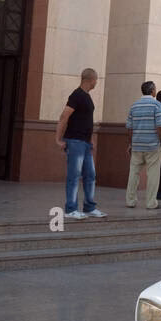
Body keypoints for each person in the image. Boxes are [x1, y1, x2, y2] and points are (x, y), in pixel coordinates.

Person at [56, 67, 106, 220]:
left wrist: (90, 139)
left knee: (90, 175)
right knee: (74, 175)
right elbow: (64, 116)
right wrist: (58, 139)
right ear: (91, 79)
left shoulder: (87, 96)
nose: (96, 82)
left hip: (85, 143)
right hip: (75, 141)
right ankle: (71, 209)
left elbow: (86, 121)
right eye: (96, 80)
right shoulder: (76, 95)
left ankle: (89, 207)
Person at [125, 81, 161, 210]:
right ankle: (151, 202)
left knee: (133, 173)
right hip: (152, 145)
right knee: (153, 174)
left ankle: (130, 200)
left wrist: (131, 143)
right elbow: (160, 126)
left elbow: (129, 128)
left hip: (137, 145)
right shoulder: (156, 105)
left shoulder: (134, 106)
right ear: (152, 91)